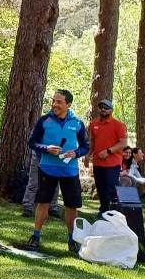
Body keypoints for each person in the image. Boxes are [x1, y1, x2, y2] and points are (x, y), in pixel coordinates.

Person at [21, 89, 89, 253]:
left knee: (71, 206)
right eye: (54, 101)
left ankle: (72, 240)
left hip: (70, 170)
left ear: (69, 104)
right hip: (47, 168)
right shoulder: (44, 120)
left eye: (59, 102)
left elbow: (86, 146)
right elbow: (32, 142)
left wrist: (76, 153)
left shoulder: (77, 123)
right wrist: (47, 148)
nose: (55, 104)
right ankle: (36, 236)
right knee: (43, 203)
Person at [86, 99, 128, 215]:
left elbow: (123, 143)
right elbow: (92, 142)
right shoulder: (94, 124)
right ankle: (103, 211)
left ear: (111, 110)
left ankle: (116, 213)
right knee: (100, 188)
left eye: (106, 107)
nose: (103, 109)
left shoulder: (119, 125)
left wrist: (108, 151)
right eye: (101, 107)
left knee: (111, 188)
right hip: (97, 162)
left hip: (113, 163)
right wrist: (88, 155)